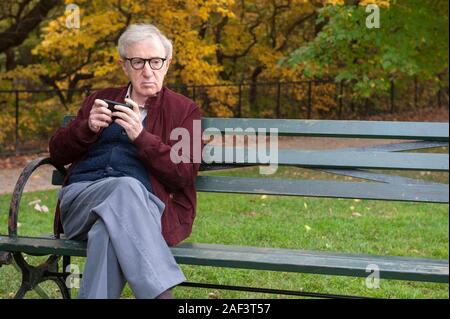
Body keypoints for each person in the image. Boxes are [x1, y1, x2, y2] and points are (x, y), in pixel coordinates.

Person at [49, 23, 202, 299]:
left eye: (155, 62)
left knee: (106, 232)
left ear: (167, 64)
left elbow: (184, 172)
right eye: (138, 61)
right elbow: (57, 153)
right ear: (124, 66)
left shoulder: (184, 111)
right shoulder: (99, 100)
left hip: (144, 210)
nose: (147, 71)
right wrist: (86, 128)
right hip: (81, 202)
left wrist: (141, 137)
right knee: (123, 188)